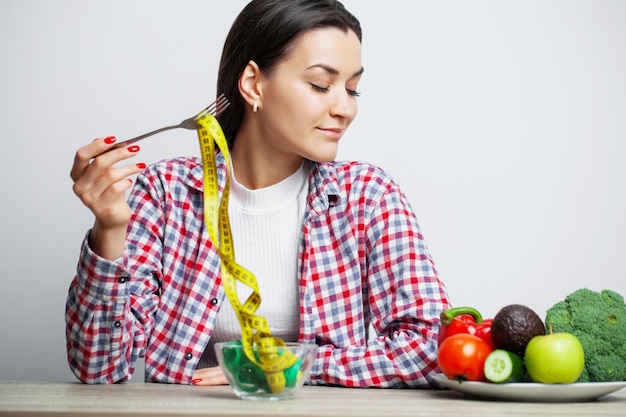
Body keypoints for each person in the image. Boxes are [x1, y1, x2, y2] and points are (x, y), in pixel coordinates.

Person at [67, 0, 450, 388]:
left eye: (352, 89)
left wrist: (296, 366)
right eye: (321, 84)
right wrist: (109, 231)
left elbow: (432, 348)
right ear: (253, 84)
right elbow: (98, 370)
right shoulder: (167, 193)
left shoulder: (368, 197)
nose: (344, 108)